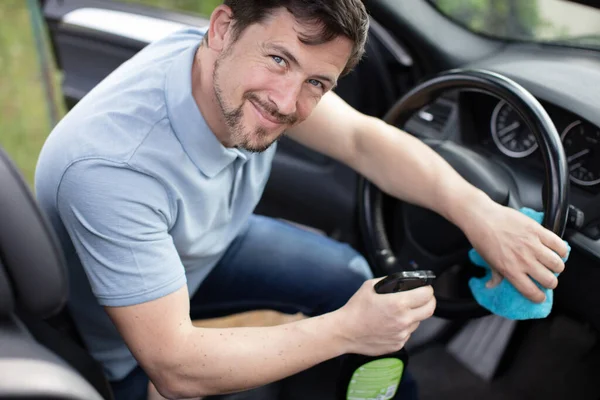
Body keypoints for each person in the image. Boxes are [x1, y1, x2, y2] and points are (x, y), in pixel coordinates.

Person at [35, 1, 569, 399]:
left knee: (346, 276)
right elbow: (174, 367)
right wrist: (347, 330)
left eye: (317, 81)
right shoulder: (111, 167)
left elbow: (363, 140)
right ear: (222, 29)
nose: (288, 103)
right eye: (278, 59)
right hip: (119, 344)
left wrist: (481, 214)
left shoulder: (233, 72)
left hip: (206, 247)